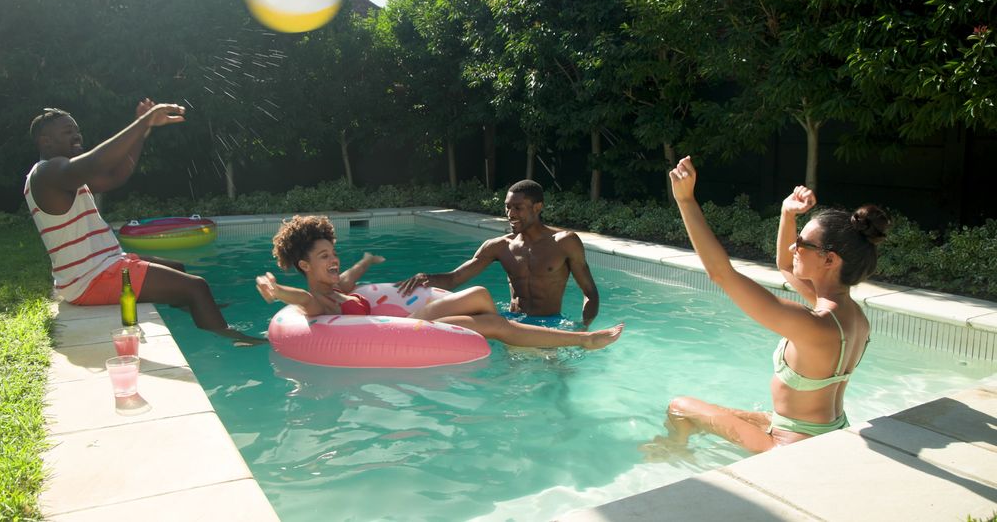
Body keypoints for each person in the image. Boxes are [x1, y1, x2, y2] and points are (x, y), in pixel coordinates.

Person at [647, 156, 890, 453]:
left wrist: (685, 200)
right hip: (822, 429)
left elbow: (720, 274)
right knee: (730, 413)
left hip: (789, 446)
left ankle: (675, 453)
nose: (793, 247)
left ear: (829, 260)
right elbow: (785, 265)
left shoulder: (812, 324)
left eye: (802, 243)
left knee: (680, 406)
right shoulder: (849, 315)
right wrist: (788, 214)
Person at [24, 100, 263, 345]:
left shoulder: (64, 175)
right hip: (91, 278)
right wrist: (142, 122)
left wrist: (143, 132)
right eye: (67, 132)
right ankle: (233, 340)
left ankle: (196, 309)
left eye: (76, 130)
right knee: (197, 287)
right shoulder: (47, 174)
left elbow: (115, 176)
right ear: (46, 141)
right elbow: (97, 162)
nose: (76, 136)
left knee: (178, 268)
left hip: (103, 265)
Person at [255, 216, 623, 349]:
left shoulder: (338, 287)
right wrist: (276, 291)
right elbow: (301, 298)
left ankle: (581, 340)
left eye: (333, 252)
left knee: (493, 322)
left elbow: (351, 277)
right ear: (304, 264)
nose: (334, 259)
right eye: (324, 257)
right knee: (480, 295)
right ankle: (580, 340)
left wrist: (364, 262)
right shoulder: (316, 301)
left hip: (418, 323)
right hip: (409, 328)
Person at [397, 179, 600, 329]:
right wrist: (425, 278)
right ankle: (403, 327)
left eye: (518, 208)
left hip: (550, 324)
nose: (510, 214)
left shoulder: (565, 242)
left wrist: (583, 327)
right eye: (507, 207)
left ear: (537, 207)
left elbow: (589, 292)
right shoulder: (499, 246)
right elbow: (455, 279)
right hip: (512, 323)